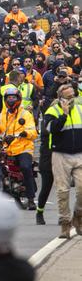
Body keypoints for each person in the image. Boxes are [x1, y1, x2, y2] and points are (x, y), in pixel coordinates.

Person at [0, 87, 38, 209]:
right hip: (7, 148)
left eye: (13, 97)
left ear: (18, 99)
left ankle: (31, 199)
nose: (10, 100)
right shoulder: (1, 117)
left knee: (25, 167)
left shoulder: (25, 114)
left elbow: (33, 131)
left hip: (23, 147)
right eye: (8, 97)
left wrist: (25, 133)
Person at [43, 84, 82, 238]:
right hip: (60, 155)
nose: (72, 99)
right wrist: (64, 115)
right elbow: (51, 129)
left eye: (73, 95)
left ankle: (78, 216)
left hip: (79, 154)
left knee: (81, 188)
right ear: (60, 98)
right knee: (63, 191)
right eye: (68, 97)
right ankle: (65, 224)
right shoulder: (52, 111)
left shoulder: (80, 109)